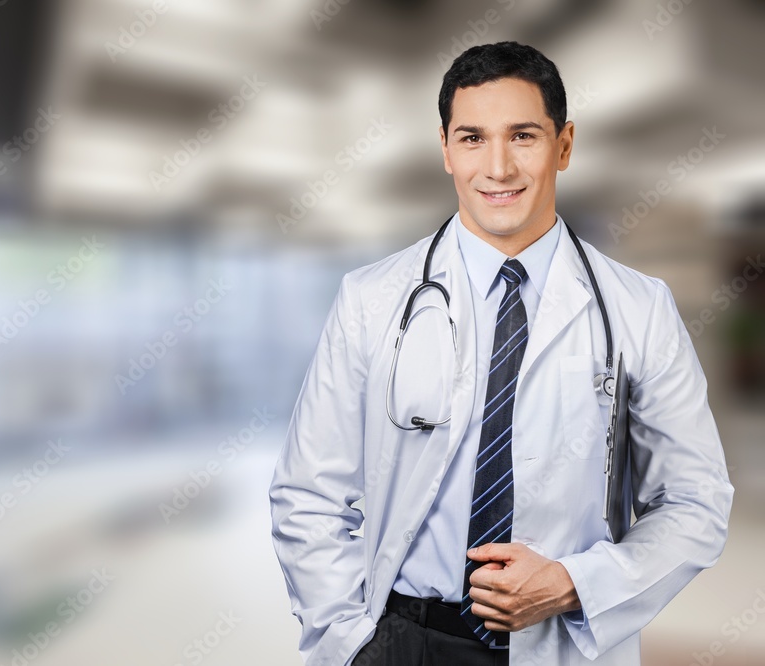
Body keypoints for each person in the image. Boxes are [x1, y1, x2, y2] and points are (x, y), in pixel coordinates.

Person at [268, 41, 733, 666]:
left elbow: (695, 501)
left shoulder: (639, 308)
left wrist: (576, 583)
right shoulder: (370, 299)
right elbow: (307, 492)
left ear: (564, 145)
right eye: (472, 138)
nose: (498, 167)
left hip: (565, 641)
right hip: (406, 641)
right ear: (445, 150)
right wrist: (351, 642)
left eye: (522, 136)